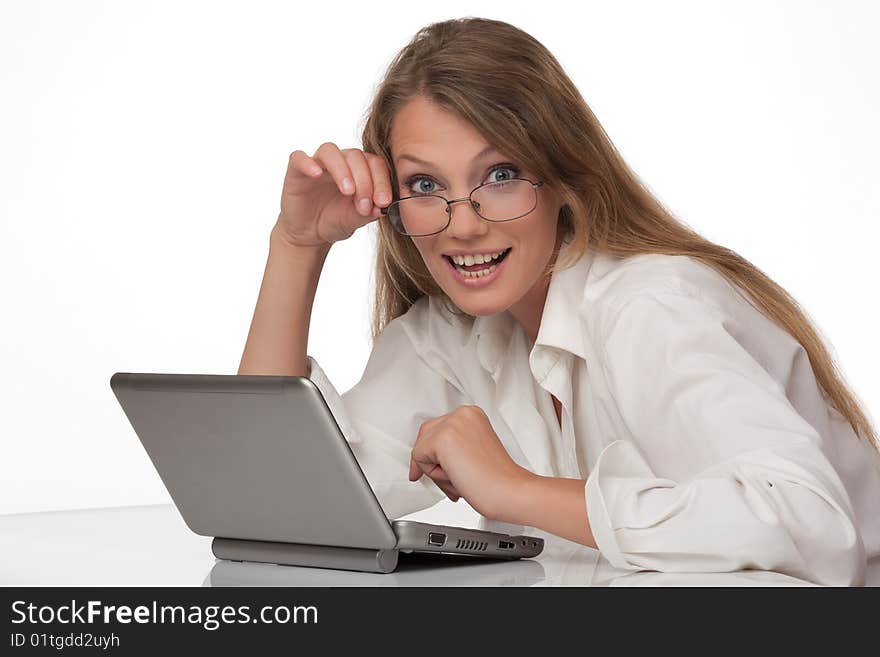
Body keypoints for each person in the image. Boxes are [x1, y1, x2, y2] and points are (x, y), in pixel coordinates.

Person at [238, 17, 880, 586]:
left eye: (500, 175)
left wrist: (518, 492)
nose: (464, 225)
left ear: (566, 179)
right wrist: (297, 246)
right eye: (426, 184)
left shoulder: (649, 307)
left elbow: (818, 529)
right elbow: (269, 506)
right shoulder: (445, 339)